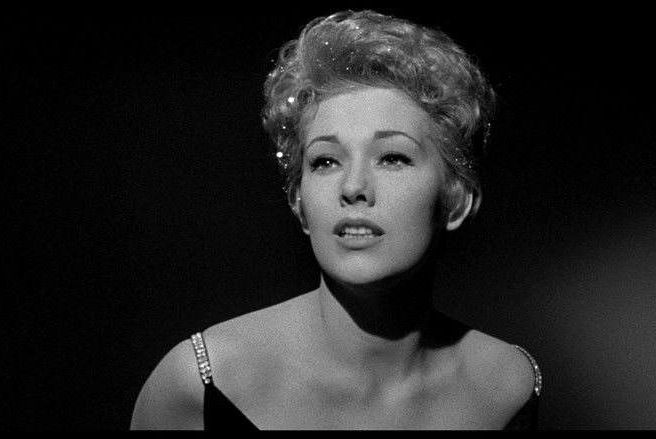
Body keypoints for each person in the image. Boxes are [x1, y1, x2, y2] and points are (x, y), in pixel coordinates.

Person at [131, 10, 541, 430]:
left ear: (457, 199)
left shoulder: (506, 386)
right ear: (299, 202)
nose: (353, 187)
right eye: (326, 161)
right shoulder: (200, 384)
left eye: (392, 158)